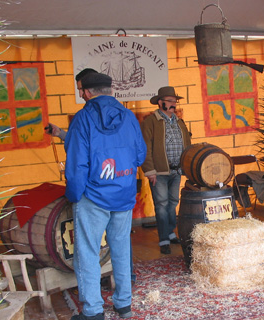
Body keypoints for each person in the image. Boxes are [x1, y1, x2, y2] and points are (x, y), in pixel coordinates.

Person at [65, 72, 147, 320]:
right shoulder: (128, 117)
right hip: (123, 194)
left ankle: (92, 311)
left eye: (81, 90)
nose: (80, 94)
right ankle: (124, 304)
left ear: (88, 92)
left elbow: (77, 165)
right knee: (121, 249)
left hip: (93, 196)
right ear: (109, 90)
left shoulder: (82, 119)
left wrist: (74, 195)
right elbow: (140, 155)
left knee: (88, 252)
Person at [141, 86, 191, 255]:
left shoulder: (179, 122)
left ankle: (170, 233)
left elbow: (187, 144)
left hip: (176, 171)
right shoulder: (150, 122)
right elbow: (145, 147)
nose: (173, 105)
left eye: (174, 102)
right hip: (159, 172)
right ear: (160, 103)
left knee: (172, 204)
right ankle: (163, 239)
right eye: (170, 101)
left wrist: (187, 166)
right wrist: (149, 170)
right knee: (162, 205)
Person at [46, 68, 98, 140]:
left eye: (82, 89)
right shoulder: (85, 114)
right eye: (79, 90)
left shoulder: (85, 115)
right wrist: (59, 133)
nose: (80, 95)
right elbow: (81, 141)